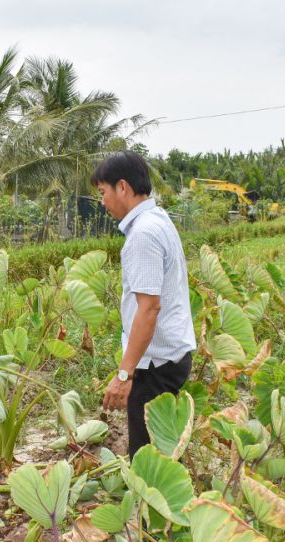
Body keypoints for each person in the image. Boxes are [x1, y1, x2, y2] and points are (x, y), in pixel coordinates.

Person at [94, 151, 196, 460]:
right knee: (158, 450)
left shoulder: (142, 234)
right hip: (169, 356)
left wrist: (124, 376)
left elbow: (149, 308)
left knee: (146, 459)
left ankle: (146, 505)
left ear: (122, 187)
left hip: (156, 365)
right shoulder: (158, 219)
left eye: (103, 192)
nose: (102, 201)